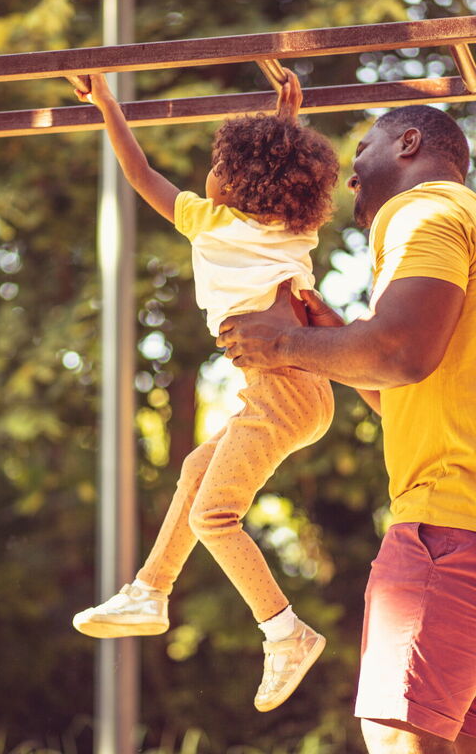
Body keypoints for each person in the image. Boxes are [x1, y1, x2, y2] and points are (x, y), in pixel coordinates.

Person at [217, 76, 476, 753]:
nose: (351, 178)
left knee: (400, 735)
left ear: (410, 143)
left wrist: (280, 342)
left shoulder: (422, 211)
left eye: (363, 150)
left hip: (451, 526)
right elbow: (409, 387)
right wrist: (327, 341)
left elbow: (402, 352)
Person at [71, 71, 340, 712]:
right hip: (298, 385)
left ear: (238, 184)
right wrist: (286, 121)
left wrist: (108, 103)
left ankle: (285, 632)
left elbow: (140, 174)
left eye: (219, 165)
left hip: (281, 388)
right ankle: (149, 591)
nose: (209, 172)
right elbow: (281, 171)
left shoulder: (208, 222)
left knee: (213, 516)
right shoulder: (291, 229)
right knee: (196, 468)